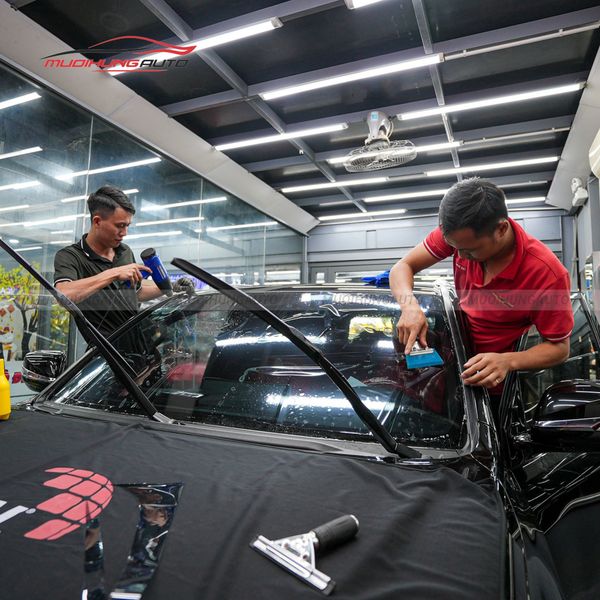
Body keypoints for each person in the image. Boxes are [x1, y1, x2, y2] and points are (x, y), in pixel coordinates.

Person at [390, 178, 573, 394]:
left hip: (493, 387)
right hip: (451, 369)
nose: (460, 255)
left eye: (470, 250)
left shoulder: (546, 274)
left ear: (501, 229)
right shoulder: (460, 236)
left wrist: (508, 361)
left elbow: (560, 348)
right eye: (454, 247)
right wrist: (409, 306)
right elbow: (402, 267)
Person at [54, 186, 193, 338]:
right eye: (120, 226)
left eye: (127, 226)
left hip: (138, 343)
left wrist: (170, 287)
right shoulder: (71, 256)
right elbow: (64, 294)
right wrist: (114, 273)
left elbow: (135, 293)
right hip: (107, 347)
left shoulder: (125, 251)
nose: (124, 233)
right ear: (97, 221)